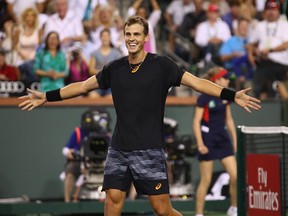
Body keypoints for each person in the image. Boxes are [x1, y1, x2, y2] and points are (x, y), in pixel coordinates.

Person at [18, 16, 261, 216]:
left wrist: (231, 95)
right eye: (128, 34)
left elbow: (197, 83)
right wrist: (46, 96)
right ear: (123, 37)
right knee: (112, 200)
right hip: (119, 148)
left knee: (162, 209)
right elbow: (81, 86)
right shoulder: (114, 68)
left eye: (136, 34)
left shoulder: (163, 66)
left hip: (149, 150)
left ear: (146, 38)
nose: (132, 39)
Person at [193, 67, 238, 216]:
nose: (227, 80)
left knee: (235, 176)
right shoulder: (204, 97)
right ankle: (199, 213)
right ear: (217, 80)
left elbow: (229, 119)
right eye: (225, 78)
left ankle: (233, 208)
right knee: (205, 179)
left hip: (223, 139)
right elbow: (196, 121)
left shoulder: (226, 96)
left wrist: (235, 140)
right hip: (208, 139)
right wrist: (200, 144)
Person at [248, 0, 288, 100]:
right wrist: (250, 56)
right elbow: (251, 44)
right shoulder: (260, 25)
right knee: (264, 71)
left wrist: (270, 50)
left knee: (265, 74)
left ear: (278, 11)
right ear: (264, 12)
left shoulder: (284, 25)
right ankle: (266, 95)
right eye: (269, 9)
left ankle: (257, 94)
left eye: (273, 9)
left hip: (280, 63)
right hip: (263, 61)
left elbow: (286, 44)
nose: (271, 12)